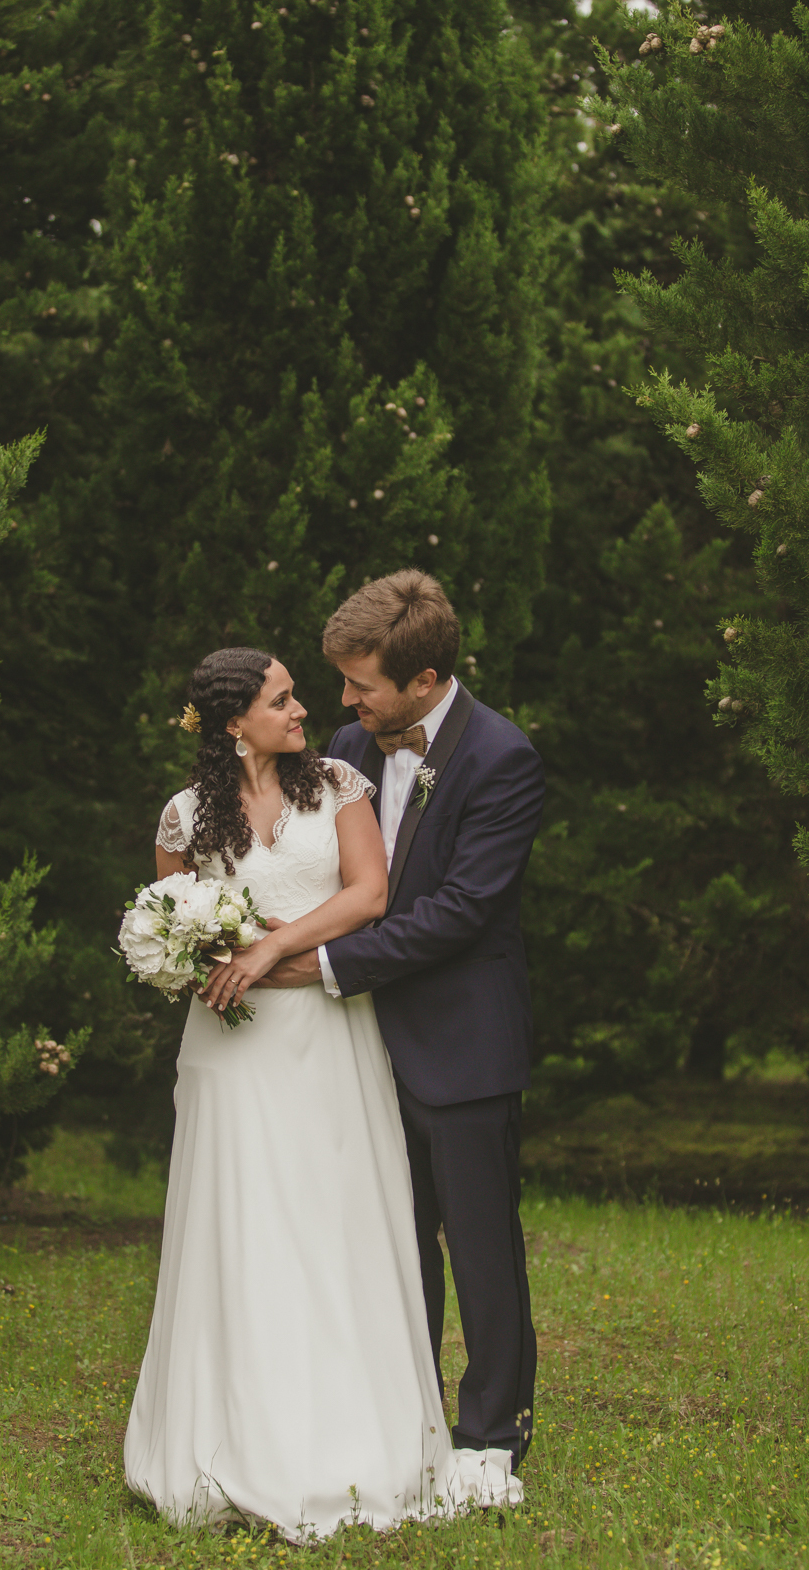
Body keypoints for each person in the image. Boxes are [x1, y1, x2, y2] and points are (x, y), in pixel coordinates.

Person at [123, 645, 520, 1538]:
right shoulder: (185, 815)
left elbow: (370, 894)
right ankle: (224, 1435)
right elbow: (168, 915)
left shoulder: (337, 780)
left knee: (332, 1222)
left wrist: (268, 947)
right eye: (282, 698)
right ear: (235, 722)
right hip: (227, 1052)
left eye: (297, 694)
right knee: (239, 1224)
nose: (304, 708)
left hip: (326, 1035)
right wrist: (200, 959)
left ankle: (353, 1437)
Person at [257, 571, 545, 1476]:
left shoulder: (501, 758)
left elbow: (462, 910)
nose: (342, 701)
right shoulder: (350, 744)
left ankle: (493, 1440)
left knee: (480, 1248)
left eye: (360, 683)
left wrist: (325, 966)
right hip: (360, 1048)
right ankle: (402, 1419)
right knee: (386, 1237)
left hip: (462, 1044)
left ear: (422, 681)